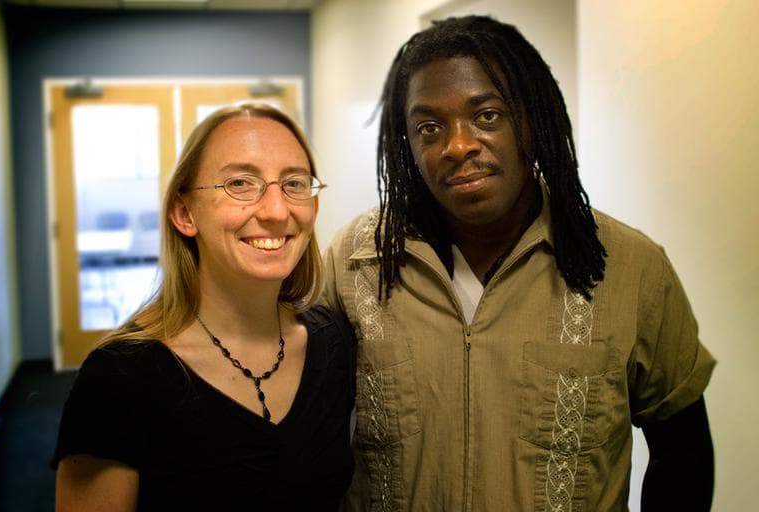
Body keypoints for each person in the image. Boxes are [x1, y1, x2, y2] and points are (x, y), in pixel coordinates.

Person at [322, 15, 716, 511]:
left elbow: (682, 449)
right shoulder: (355, 264)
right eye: (429, 127)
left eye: (486, 116)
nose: (458, 145)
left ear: (530, 121)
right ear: (407, 146)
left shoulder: (631, 268)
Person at [53, 103, 356, 510]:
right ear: (184, 213)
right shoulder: (120, 378)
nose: (276, 211)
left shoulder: (333, 343)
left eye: (294, 184)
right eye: (240, 183)